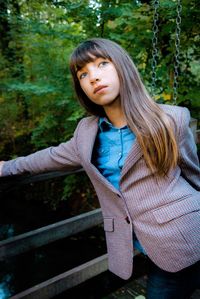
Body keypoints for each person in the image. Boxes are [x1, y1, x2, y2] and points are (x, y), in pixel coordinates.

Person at [0, 38, 199, 298]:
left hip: (188, 231)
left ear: (123, 68)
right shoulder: (86, 133)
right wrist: (7, 167)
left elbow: (193, 173)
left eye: (102, 64)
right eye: (83, 73)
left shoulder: (171, 118)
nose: (93, 77)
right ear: (80, 86)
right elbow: (49, 157)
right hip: (150, 250)